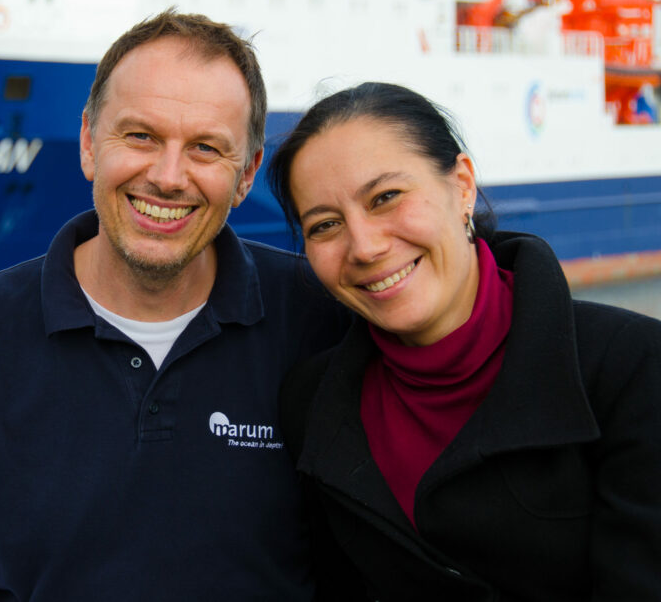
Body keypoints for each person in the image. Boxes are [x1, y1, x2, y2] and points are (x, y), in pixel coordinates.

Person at [0, 10, 349, 601]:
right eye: (141, 136)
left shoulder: (320, 316)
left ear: (247, 173)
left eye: (205, 148)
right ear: (90, 143)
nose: (168, 177)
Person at [266, 81, 661, 600]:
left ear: (462, 187)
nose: (363, 247)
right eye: (325, 225)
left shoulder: (632, 368)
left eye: (386, 197)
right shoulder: (311, 402)